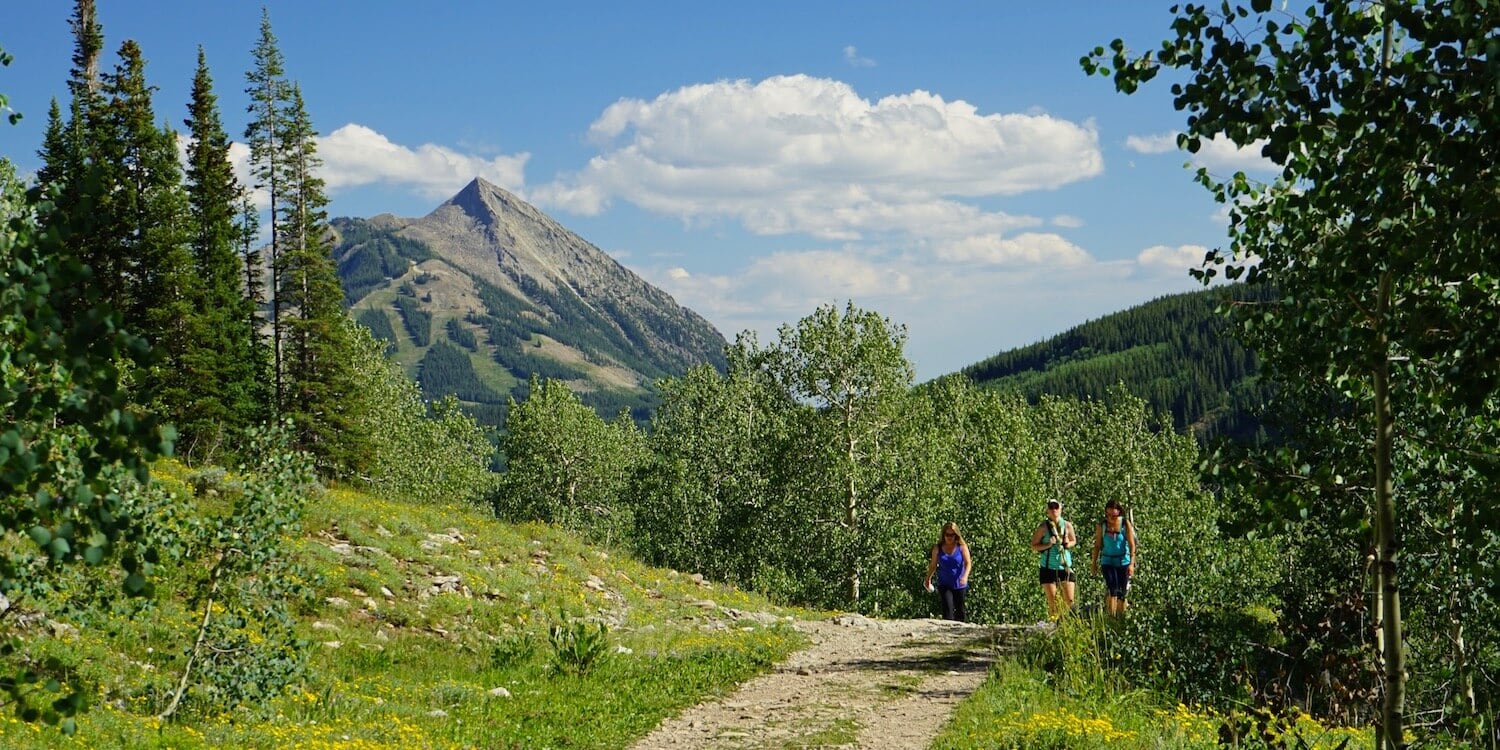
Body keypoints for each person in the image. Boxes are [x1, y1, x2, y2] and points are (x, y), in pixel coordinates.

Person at [1031, 500, 1076, 619]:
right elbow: (1034, 546)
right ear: (1047, 511)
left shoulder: (1067, 525)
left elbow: (1073, 541)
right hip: (1048, 568)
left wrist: (1067, 543)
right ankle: (1054, 624)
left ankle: (1069, 623)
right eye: (1051, 507)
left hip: (1065, 566)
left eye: (1056, 507)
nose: (1054, 510)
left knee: (1069, 601)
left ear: (1060, 509)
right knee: (1053, 601)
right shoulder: (1043, 527)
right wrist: (1048, 545)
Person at [1091, 499, 1137, 617]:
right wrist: (1094, 563)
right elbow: (1097, 545)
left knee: (1122, 592)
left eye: (1114, 515)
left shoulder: (1125, 524)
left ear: (1119, 513)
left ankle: (1121, 617)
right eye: (1108, 515)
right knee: (1113, 589)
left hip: (1123, 561)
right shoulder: (1102, 526)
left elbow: (1132, 545)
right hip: (1107, 561)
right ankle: (1111, 617)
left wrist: (1132, 564)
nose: (1111, 518)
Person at [924, 521, 971, 622]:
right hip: (944, 584)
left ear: (956, 535)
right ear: (943, 535)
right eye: (947, 535)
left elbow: (968, 563)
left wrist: (965, 576)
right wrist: (928, 578)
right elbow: (933, 565)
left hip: (959, 584)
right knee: (947, 609)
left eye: (952, 535)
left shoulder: (962, 547)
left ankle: (960, 630)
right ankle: (947, 630)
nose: (949, 537)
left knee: (960, 611)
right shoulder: (938, 549)